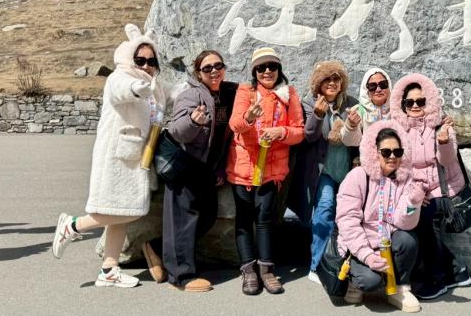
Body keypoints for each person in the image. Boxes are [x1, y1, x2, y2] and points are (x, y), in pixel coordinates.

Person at [51, 24, 169, 288]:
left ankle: (109, 269)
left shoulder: (155, 86)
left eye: (151, 61)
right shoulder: (120, 77)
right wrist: (137, 87)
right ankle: (73, 225)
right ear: (129, 58)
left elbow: (168, 96)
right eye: (140, 60)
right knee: (116, 210)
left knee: (123, 212)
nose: (146, 65)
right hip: (118, 156)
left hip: (138, 156)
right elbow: (122, 90)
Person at [141, 50, 235, 292]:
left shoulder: (227, 94)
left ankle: (156, 247)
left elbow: (224, 137)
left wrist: (220, 168)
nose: (214, 71)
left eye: (218, 66)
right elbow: (178, 131)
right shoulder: (191, 95)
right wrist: (193, 121)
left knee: (208, 215)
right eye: (207, 68)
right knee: (183, 218)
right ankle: (181, 277)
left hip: (206, 168)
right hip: (184, 164)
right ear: (198, 73)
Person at [228, 47, 304, 295]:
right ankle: (248, 270)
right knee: (243, 219)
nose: (267, 71)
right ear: (254, 71)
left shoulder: (289, 94)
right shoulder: (246, 92)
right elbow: (235, 125)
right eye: (261, 67)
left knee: (265, 219)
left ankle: (266, 270)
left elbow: (299, 131)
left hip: (271, 169)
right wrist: (249, 117)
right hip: (244, 166)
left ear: (279, 69)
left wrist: (281, 132)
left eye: (272, 66)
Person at [390, 73, 470, 300]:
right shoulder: (398, 130)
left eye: (420, 101)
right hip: (415, 190)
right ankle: (456, 270)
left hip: (441, 190)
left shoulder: (440, 125)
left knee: (425, 217)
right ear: (403, 105)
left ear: (429, 102)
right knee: (411, 214)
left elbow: (447, 160)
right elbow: (399, 166)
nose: (415, 106)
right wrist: (412, 191)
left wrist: (443, 141)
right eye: (410, 102)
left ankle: (437, 279)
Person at [335, 122, 428, 313]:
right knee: (370, 281)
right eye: (386, 152)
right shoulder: (358, 176)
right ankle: (354, 281)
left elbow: (404, 223)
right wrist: (367, 255)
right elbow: (347, 221)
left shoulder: (405, 178)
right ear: (375, 153)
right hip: (359, 244)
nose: (392, 156)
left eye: (397, 152)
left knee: (408, 239)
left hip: (387, 241)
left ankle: (399, 289)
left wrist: (413, 203)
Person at [301, 61, 361, 284]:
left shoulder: (352, 104)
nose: (332, 83)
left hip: (346, 169)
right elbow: (309, 136)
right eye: (327, 79)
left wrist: (357, 159)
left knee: (349, 215)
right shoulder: (309, 103)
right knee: (325, 208)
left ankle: (346, 263)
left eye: (336, 79)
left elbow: (359, 138)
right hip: (323, 170)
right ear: (318, 83)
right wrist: (318, 115)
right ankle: (316, 265)